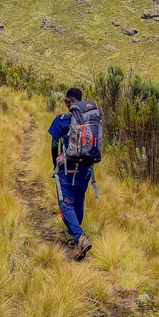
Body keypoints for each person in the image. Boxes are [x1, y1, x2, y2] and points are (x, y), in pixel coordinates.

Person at [48, 87, 95, 261]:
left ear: (68, 101)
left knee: (65, 203)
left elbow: (54, 146)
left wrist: (55, 165)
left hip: (67, 170)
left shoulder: (61, 120)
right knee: (78, 199)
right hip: (85, 170)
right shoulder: (90, 121)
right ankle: (74, 233)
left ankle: (79, 237)